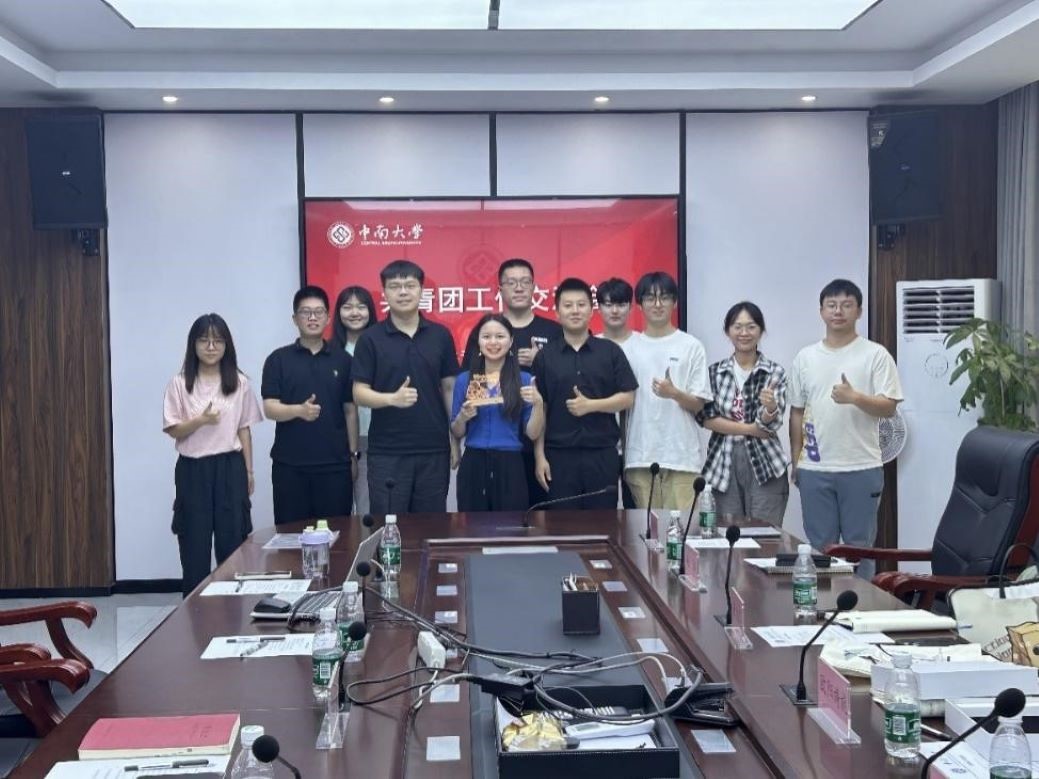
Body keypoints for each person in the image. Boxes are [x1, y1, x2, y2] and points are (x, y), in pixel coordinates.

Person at [789, 279, 904, 579]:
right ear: (821, 311)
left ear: (859, 311)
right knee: (820, 551)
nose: (838, 311)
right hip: (815, 468)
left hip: (861, 466)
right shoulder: (805, 357)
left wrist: (855, 397)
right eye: (831, 305)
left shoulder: (875, 355)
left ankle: (861, 607)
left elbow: (889, 407)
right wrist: (796, 459)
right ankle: (821, 606)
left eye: (846, 305)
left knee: (859, 551)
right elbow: (797, 411)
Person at [163, 314, 262, 595]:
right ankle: (193, 609)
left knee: (232, 541)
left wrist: (249, 471)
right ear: (193, 345)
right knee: (194, 542)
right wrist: (201, 421)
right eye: (204, 340)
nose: (210, 347)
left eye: (217, 340)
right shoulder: (180, 383)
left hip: (230, 467)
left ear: (226, 345)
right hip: (193, 469)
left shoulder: (239, 383)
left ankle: (232, 608)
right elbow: (173, 429)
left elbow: (244, 430)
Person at [352, 260, 460, 514]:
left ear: (421, 291)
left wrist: (454, 438)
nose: (403, 292)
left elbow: (449, 388)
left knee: (431, 525)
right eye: (395, 286)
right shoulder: (370, 338)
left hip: (433, 448)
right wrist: (392, 399)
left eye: (410, 285)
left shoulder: (440, 335)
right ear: (385, 293)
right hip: (387, 451)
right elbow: (358, 393)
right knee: (388, 524)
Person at [462, 258, 562, 508]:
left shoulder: (553, 331)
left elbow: (559, 388)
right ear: (500, 289)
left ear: (534, 287)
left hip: (544, 442)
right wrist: (455, 442)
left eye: (525, 282)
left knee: (538, 519)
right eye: (511, 282)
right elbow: (471, 387)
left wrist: (542, 361)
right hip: (497, 449)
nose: (519, 288)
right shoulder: (487, 331)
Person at [533, 278, 638, 510]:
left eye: (581, 305)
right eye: (568, 305)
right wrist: (539, 457)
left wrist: (591, 405)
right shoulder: (545, 356)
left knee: (603, 524)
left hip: (602, 455)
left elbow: (628, 397)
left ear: (591, 311)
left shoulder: (610, 351)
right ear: (557, 312)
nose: (575, 311)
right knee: (561, 525)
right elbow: (541, 408)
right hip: (558, 456)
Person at [261, 286, 358, 525]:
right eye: (305, 312)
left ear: (328, 317)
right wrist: (298, 411)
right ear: (295, 319)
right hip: (290, 467)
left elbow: (350, 410)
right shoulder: (278, 360)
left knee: (337, 536)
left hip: (335, 466)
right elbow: (270, 408)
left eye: (318, 312)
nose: (312, 317)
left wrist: (353, 455)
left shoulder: (343, 360)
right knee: (292, 536)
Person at [622, 272, 713, 510]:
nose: (657, 304)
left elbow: (699, 404)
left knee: (682, 529)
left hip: (682, 457)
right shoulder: (628, 348)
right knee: (646, 529)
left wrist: (674, 393)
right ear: (639, 305)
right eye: (650, 298)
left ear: (675, 303)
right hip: (640, 456)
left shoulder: (691, 345)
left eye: (664, 297)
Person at [698, 301, 790, 523]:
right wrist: (750, 429)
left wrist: (770, 408)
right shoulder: (715, 372)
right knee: (727, 530)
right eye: (737, 327)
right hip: (722, 463)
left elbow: (769, 425)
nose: (744, 333)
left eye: (751, 327)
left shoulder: (774, 372)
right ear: (727, 331)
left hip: (765, 462)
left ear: (761, 330)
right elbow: (706, 418)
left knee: (765, 532)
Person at [451, 314, 545, 511]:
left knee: (509, 525)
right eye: (486, 336)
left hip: (510, 463)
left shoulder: (524, 379)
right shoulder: (466, 379)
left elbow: (532, 433)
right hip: (474, 462)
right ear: (478, 342)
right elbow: (457, 431)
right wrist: (462, 417)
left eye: (500, 336)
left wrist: (538, 404)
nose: (493, 342)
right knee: (472, 524)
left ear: (510, 342)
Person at [332, 285, 379, 514]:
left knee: (366, 508)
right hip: (338, 440)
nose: (354, 313)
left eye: (361, 307)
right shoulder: (330, 351)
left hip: (374, 438)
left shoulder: (381, 347)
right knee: (336, 510)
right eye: (347, 307)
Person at [596, 277, 641, 510]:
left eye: (621, 304)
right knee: (603, 513)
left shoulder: (643, 345)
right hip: (602, 446)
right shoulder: (590, 346)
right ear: (598, 308)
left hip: (639, 446)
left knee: (639, 515)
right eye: (608, 304)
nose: (614, 311)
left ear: (631, 307)